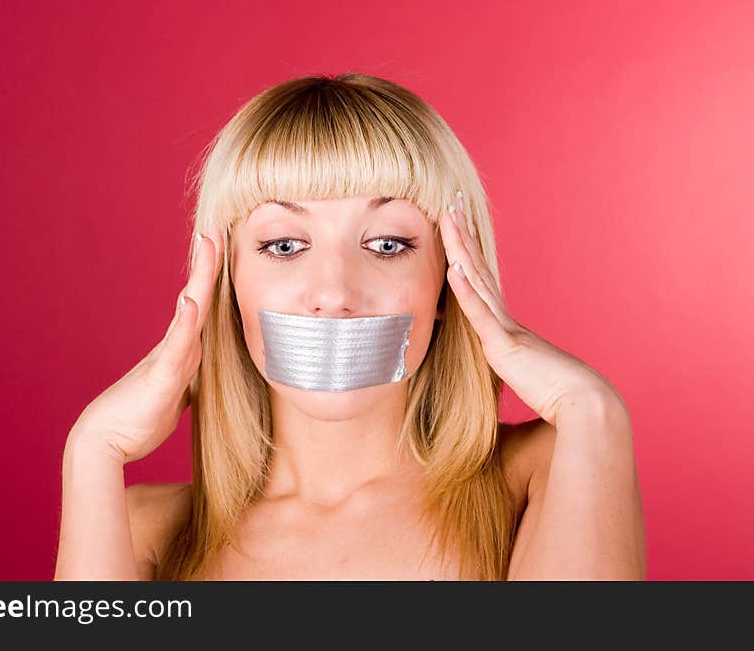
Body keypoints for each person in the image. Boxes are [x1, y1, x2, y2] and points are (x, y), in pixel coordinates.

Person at [53, 73, 647, 581]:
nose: (335, 293)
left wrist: (590, 405)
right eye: (285, 245)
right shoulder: (141, 533)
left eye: (387, 244)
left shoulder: (544, 471)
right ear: (228, 284)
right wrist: (92, 449)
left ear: (447, 278)